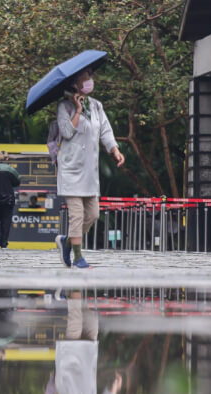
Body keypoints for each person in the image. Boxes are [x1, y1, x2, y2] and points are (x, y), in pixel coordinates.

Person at [54, 69, 125, 269]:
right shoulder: (64, 106)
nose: (89, 81)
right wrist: (77, 110)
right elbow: (67, 132)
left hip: (89, 171)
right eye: (84, 79)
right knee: (76, 215)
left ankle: (67, 241)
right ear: (75, 84)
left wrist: (114, 150)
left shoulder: (96, 105)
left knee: (93, 214)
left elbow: (105, 130)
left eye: (89, 78)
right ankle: (78, 258)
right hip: (71, 169)